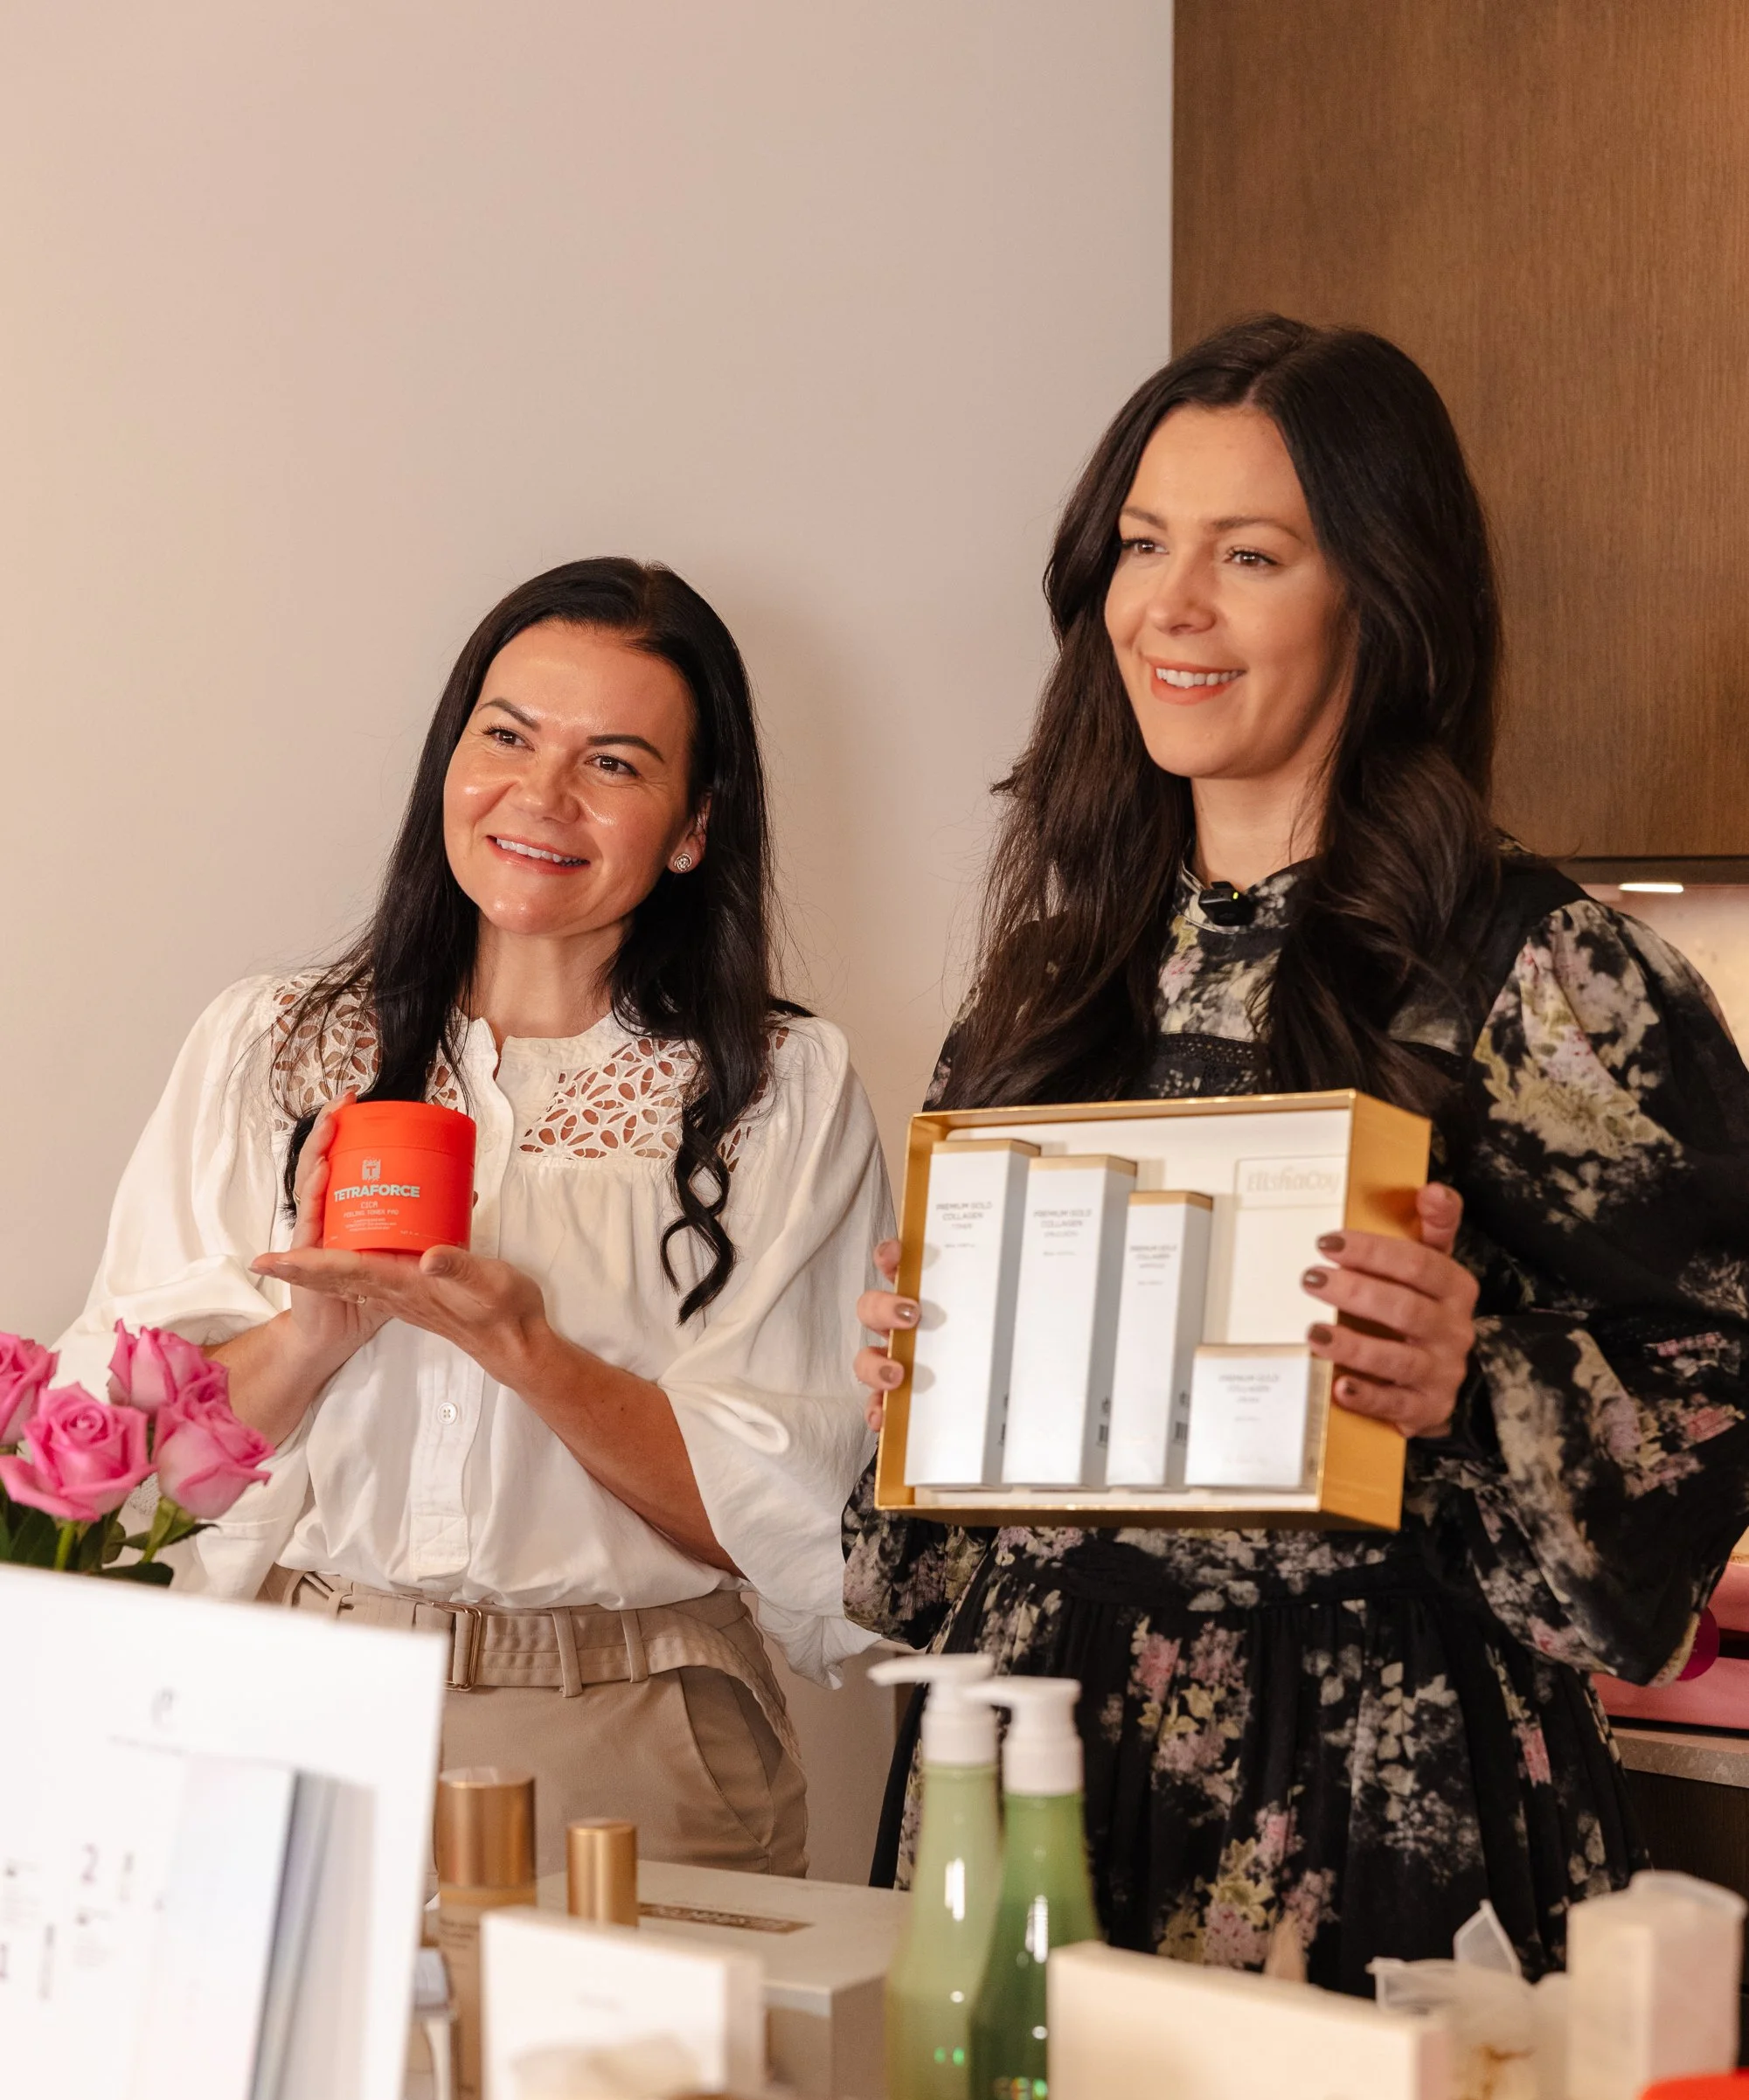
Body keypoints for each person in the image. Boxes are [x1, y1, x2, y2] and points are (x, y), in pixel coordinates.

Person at [846, 315, 1749, 1988]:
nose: (1169, 606)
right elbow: (922, 1544)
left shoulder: (1545, 972)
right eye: (1141, 545)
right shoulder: (1055, 981)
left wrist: (1473, 1376)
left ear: (1378, 598)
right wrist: (918, 1374)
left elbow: (1717, 1363)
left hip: (1363, 1806)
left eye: (1248, 555)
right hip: (1030, 1782)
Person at [63, 558, 891, 1875]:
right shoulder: (270, 1046)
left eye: (614, 762)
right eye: (505, 736)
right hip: (293, 1705)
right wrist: (310, 1337)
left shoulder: (781, 1091)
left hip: (636, 1730)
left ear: (692, 826)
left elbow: (797, 1516)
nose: (541, 796)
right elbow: (108, 1483)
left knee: (647, 2088)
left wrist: (533, 1358)